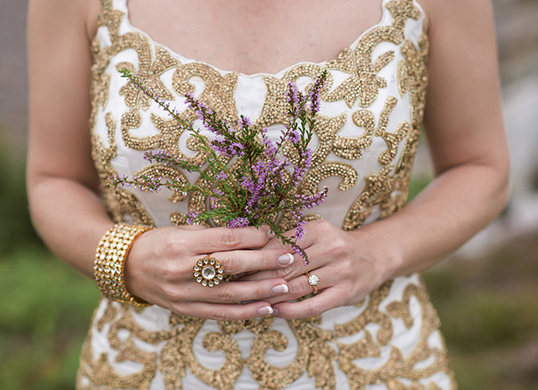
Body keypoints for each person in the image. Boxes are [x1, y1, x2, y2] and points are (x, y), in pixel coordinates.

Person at [27, 0, 509, 388]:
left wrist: (379, 252)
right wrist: (128, 259)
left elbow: (481, 167)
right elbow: (53, 178)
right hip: (149, 366)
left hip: (371, 359)